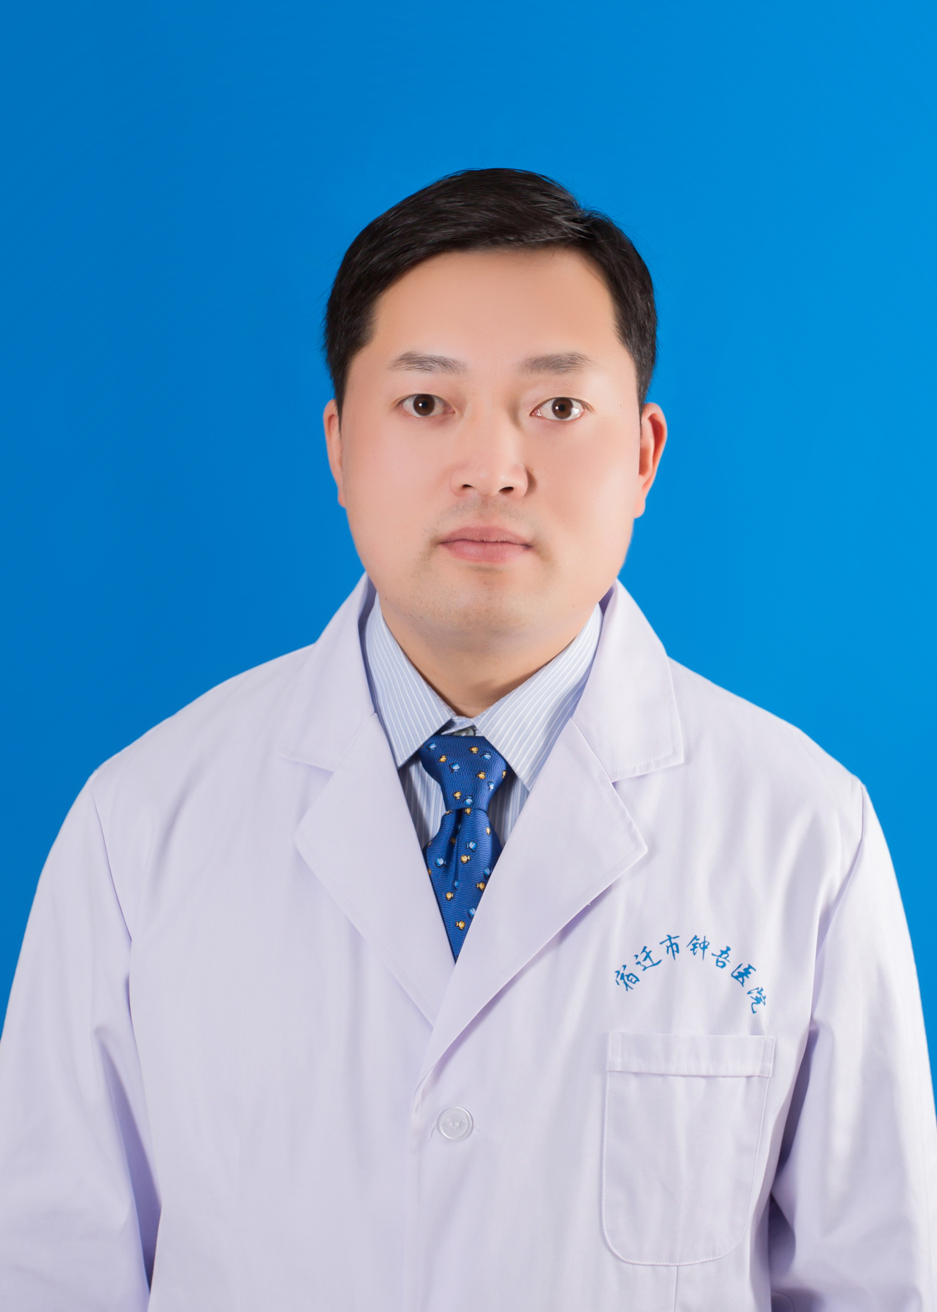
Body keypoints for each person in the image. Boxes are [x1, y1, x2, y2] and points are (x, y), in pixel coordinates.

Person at [0, 168, 933, 1310]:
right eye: (426, 404)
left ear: (644, 454)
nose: (492, 467)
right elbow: (49, 1270)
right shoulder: (141, 822)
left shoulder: (802, 829)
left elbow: (878, 1283)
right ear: (339, 446)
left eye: (557, 407)